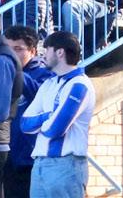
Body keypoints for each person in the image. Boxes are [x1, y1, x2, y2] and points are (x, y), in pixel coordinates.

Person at [17, 31, 94, 198]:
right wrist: (49, 115)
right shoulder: (49, 84)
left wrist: (44, 121)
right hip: (40, 164)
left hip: (66, 166)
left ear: (60, 52)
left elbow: (55, 129)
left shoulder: (79, 84)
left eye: (47, 49)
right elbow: (24, 124)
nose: (43, 54)